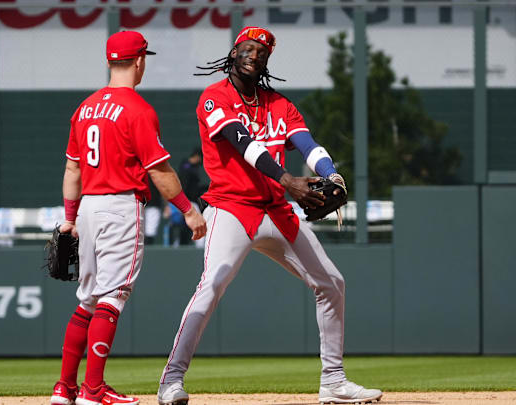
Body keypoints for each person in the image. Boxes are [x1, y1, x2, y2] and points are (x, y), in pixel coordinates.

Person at [156, 27, 383, 405]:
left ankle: (334, 382)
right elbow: (243, 142)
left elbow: (307, 144)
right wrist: (288, 179)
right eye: (247, 48)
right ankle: (171, 382)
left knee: (332, 283)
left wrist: (330, 174)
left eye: (262, 52)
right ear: (233, 52)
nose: (254, 55)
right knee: (212, 284)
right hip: (231, 207)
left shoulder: (279, 104)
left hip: (276, 209)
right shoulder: (215, 98)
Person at [51, 30, 207, 405]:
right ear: (139, 61)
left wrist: (70, 218)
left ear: (110, 61)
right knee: (113, 296)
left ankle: (65, 388)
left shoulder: (84, 108)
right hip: (120, 205)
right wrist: (188, 209)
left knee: (87, 299)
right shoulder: (138, 109)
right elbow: (160, 171)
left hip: (87, 205)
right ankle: (93, 390)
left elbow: (72, 170)